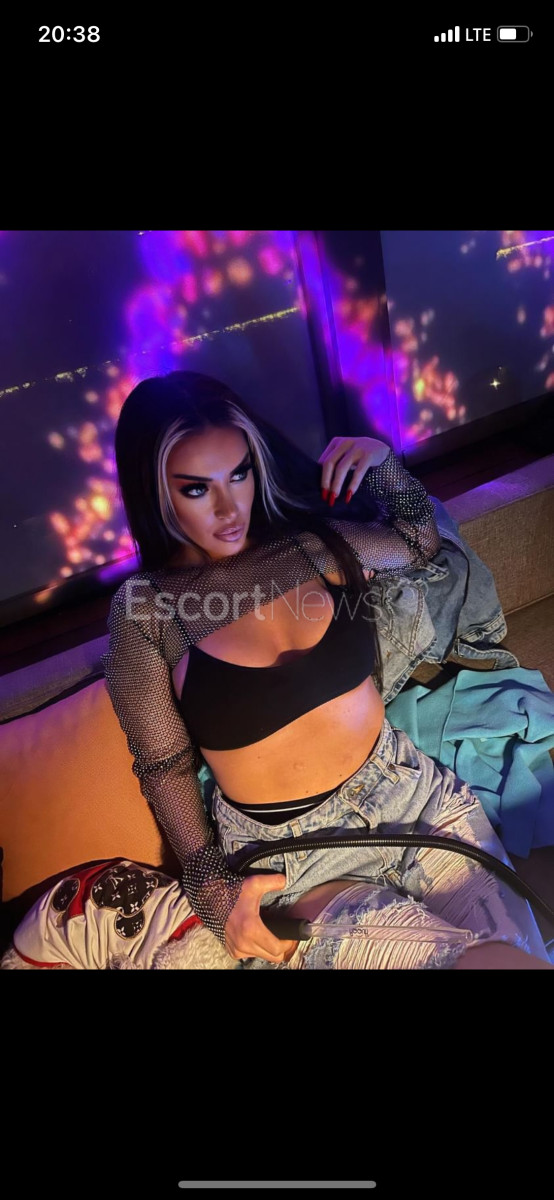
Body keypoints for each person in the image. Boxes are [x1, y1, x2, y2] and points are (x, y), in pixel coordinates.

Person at [102, 370, 553, 969]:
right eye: (196, 489)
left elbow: (420, 540)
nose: (228, 507)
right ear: (157, 493)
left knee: (521, 957)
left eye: (239, 474)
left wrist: (382, 462)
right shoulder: (149, 610)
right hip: (298, 860)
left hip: (416, 800)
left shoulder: (314, 547)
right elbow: (164, 767)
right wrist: (214, 894)